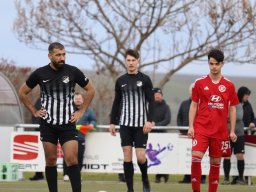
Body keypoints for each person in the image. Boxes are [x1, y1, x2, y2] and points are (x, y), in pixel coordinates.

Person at [18, 42, 95, 192]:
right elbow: (22, 92)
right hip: (48, 124)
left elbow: (91, 90)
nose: (62, 58)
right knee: (51, 160)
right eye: (58, 55)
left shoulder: (73, 71)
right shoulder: (40, 73)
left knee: (72, 159)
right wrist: (34, 110)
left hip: (67, 123)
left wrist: (81, 111)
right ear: (50, 56)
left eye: (64, 54)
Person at [187, 49, 239, 192]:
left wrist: (232, 130)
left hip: (220, 130)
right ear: (208, 63)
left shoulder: (229, 85)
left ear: (222, 64)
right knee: (196, 157)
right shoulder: (199, 82)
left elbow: (233, 109)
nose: (213, 67)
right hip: (201, 128)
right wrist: (191, 126)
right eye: (211, 63)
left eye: (216, 64)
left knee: (215, 162)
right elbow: (193, 105)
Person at [109, 49, 154, 192]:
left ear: (138, 62)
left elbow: (151, 102)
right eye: (128, 60)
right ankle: (130, 189)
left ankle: (145, 179)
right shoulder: (120, 81)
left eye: (133, 60)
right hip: (125, 124)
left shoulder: (145, 79)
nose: (131, 63)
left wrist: (149, 120)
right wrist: (112, 122)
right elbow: (116, 103)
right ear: (125, 62)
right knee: (127, 154)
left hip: (141, 124)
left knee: (141, 157)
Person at [63, 92, 96, 181]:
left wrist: (92, 124)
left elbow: (93, 119)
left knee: (80, 156)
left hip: (81, 137)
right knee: (68, 155)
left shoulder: (88, 110)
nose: (78, 100)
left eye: (79, 99)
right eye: (76, 99)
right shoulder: (68, 108)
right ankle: (66, 174)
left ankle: (77, 174)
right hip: (68, 136)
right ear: (73, 100)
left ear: (82, 100)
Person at [177, 83, 206, 184]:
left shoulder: (203, 103)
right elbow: (179, 117)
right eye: (191, 91)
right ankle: (187, 177)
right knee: (187, 157)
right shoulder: (184, 103)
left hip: (200, 134)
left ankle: (201, 177)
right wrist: (182, 129)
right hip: (186, 134)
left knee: (199, 157)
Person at [222, 101, 246, 185]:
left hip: (239, 134)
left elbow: (239, 116)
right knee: (226, 156)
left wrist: (228, 112)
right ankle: (226, 178)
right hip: (226, 134)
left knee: (240, 155)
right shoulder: (223, 103)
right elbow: (221, 116)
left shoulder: (238, 104)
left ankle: (240, 178)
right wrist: (231, 113)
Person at [151, 87, 171, 183]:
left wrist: (156, 125)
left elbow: (167, 120)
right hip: (151, 135)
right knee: (153, 156)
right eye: (156, 95)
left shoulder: (166, 107)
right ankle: (157, 176)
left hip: (162, 135)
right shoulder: (149, 106)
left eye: (159, 95)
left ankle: (164, 174)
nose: (158, 97)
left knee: (162, 156)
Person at [29, 97, 44, 181]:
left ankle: (66, 174)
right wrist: (37, 127)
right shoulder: (40, 100)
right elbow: (35, 115)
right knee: (39, 152)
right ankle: (39, 174)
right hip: (41, 131)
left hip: (55, 131)